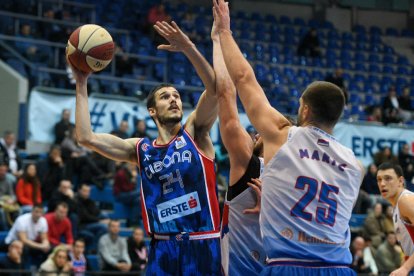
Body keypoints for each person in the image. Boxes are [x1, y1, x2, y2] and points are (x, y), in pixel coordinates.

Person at [213, 1, 364, 274]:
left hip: (289, 263)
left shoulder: (283, 135)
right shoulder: (355, 165)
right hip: (339, 266)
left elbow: (245, 78)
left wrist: (224, 31)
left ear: (304, 108)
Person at [69, 20, 221, 274]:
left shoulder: (196, 132)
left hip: (202, 242)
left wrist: (188, 48)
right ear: (152, 111)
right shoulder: (141, 150)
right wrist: (82, 82)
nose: (173, 99)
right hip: (162, 248)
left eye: (177, 96)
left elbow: (215, 90)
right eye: (165, 97)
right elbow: (86, 137)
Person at [211, 16, 265, 275]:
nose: (255, 135)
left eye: (259, 133)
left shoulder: (251, 164)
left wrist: (219, 39)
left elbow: (226, 94)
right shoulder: (296, 177)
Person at [377, 162, 414, 275]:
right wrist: (403, 266)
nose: (382, 183)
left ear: (401, 181)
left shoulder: (405, 200)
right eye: (379, 179)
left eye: (388, 178)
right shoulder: (396, 207)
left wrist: (405, 268)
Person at [75, 183, 108, 253]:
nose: (87, 193)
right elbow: (85, 217)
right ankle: (94, 248)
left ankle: (98, 247)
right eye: (84, 191)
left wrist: (99, 218)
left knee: (105, 215)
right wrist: (99, 221)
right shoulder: (76, 201)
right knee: (103, 227)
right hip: (83, 225)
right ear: (79, 190)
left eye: (88, 191)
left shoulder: (89, 201)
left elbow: (97, 212)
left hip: (91, 223)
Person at [0, 161, 18, 230]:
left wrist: (12, 200)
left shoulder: (8, 181)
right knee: (1, 212)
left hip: (6, 203)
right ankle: (6, 230)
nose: (2, 172)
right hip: (1, 204)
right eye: (1, 170)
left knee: (18, 210)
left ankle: (15, 229)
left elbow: (13, 195)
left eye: (4, 171)